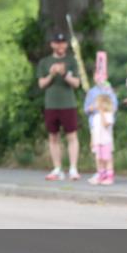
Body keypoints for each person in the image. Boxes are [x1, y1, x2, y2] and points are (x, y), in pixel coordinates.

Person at [37, 32, 81, 180]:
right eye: (57, 43)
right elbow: (41, 84)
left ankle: (73, 168)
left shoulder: (71, 61)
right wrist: (51, 74)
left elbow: (76, 83)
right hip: (51, 104)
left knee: (72, 136)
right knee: (53, 136)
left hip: (68, 104)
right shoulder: (45, 62)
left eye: (63, 43)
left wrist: (64, 74)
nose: (60, 45)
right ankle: (57, 168)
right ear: (52, 45)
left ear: (66, 45)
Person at [87, 94, 116, 186]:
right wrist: (92, 141)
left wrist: (102, 112)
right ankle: (101, 176)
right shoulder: (95, 117)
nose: (96, 105)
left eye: (98, 103)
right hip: (97, 141)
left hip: (106, 141)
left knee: (107, 159)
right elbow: (93, 130)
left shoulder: (109, 115)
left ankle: (109, 177)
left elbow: (105, 124)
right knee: (99, 159)